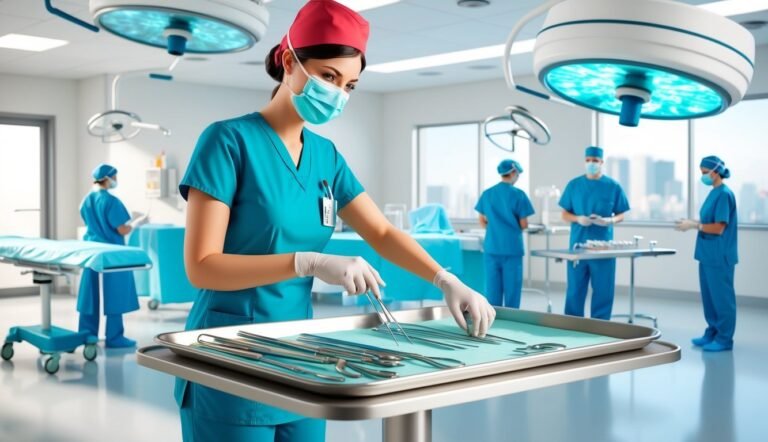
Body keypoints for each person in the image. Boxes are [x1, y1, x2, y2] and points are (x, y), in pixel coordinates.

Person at [174, 2, 496, 441]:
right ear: (289, 62)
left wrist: (444, 279)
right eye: (328, 76)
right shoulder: (227, 142)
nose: (338, 93)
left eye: (350, 85)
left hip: (304, 358)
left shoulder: (326, 157)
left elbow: (381, 232)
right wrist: (307, 263)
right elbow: (202, 265)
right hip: (232, 355)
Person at [78, 163, 147, 348]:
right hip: (111, 254)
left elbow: (89, 222)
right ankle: (114, 337)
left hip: (91, 251)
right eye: (115, 177)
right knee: (115, 293)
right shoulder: (111, 201)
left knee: (90, 294)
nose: (116, 180)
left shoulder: (86, 200)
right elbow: (122, 229)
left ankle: (87, 335)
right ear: (108, 178)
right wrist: (137, 222)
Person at [559, 146, 630, 320]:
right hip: (578, 245)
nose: (591, 163)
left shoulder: (612, 186)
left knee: (603, 288)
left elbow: (621, 214)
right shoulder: (574, 185)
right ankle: (573, 325)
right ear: (585, 161)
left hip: (603, 247)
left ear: (601, 162)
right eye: (588, 160)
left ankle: (601, 325)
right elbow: (564, 214)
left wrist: (610, 220)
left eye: (595, 160)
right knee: (575, 288)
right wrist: (578, 219)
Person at [675, 156, 737, 352]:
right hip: (707, 254)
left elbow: (719, 228)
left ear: (716, 172)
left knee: (722, 299)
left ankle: (724, 339)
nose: (702, 176)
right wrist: (693, 222)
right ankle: (712, 332)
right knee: (710, 298)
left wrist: (695, 225)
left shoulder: (724, 194)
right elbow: (708, 221)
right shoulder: (713, 193)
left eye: (704, 173)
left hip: (720, 255)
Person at [475, 159, 535, 308]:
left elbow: (482, 221)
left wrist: (495, 226)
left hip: (492, 247)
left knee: (492, 290)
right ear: (513, 172)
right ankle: (511, 322)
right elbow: (524, 224)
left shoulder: (487, 194)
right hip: (512, 248)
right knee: (512, 292)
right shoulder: (519, 195)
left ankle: (491, 319)